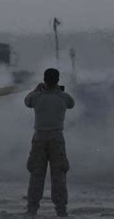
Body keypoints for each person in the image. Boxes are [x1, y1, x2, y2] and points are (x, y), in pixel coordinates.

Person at [24, 68, 75, 217]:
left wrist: (36, 89)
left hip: (39, 137)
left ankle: (32, 209)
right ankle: (61, 210)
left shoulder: (36, 97)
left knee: (36, 175)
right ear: (58, 80)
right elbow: (71, 103)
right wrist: (58, 91)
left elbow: (27, 101)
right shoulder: (63, 97)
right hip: (57, 138)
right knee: (59, 175)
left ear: (44, 80)